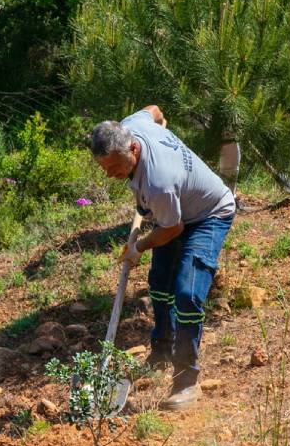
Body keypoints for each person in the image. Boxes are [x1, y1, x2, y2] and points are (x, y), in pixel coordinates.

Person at [91, 106, 236, 411]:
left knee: (187, 294)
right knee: (159, 282)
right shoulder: (132, 124)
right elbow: (154, 110)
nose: (110, 174)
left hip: (208, 214)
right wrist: (162, 124)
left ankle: (186, 381)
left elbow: (172, 229)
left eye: (115, 166)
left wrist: (138, 247)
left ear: (132, 148)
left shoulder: (159, 181)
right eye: (104, 168)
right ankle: (161, 350)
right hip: (174, 211)